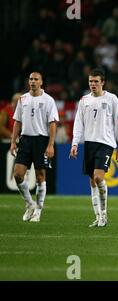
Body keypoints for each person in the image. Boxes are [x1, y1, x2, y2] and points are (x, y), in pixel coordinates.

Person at [70, 68, 118, 227]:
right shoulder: (84, 100)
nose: (93, 84)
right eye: (90, 81)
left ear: (102, 82)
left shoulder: (112, 99)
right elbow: (78, 123)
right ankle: (98, 216)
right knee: (92, 182)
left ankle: (104, 214)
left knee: (98, 177)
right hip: (89, 143)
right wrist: (75, 143)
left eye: (96, 81)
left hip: (106, 143)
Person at [10, 72, 59, 222]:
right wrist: (13, 141)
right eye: (31, 79)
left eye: (36, 79)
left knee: (40, 176)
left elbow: (52, 123)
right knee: (18, 174)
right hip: (25, 140)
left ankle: (38, 210)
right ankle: (29, 203)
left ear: (41, 82)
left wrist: (50, 144)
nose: (33, 81)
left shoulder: (48, 100)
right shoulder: (22, 99)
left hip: (41, 140)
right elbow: (17, 121)